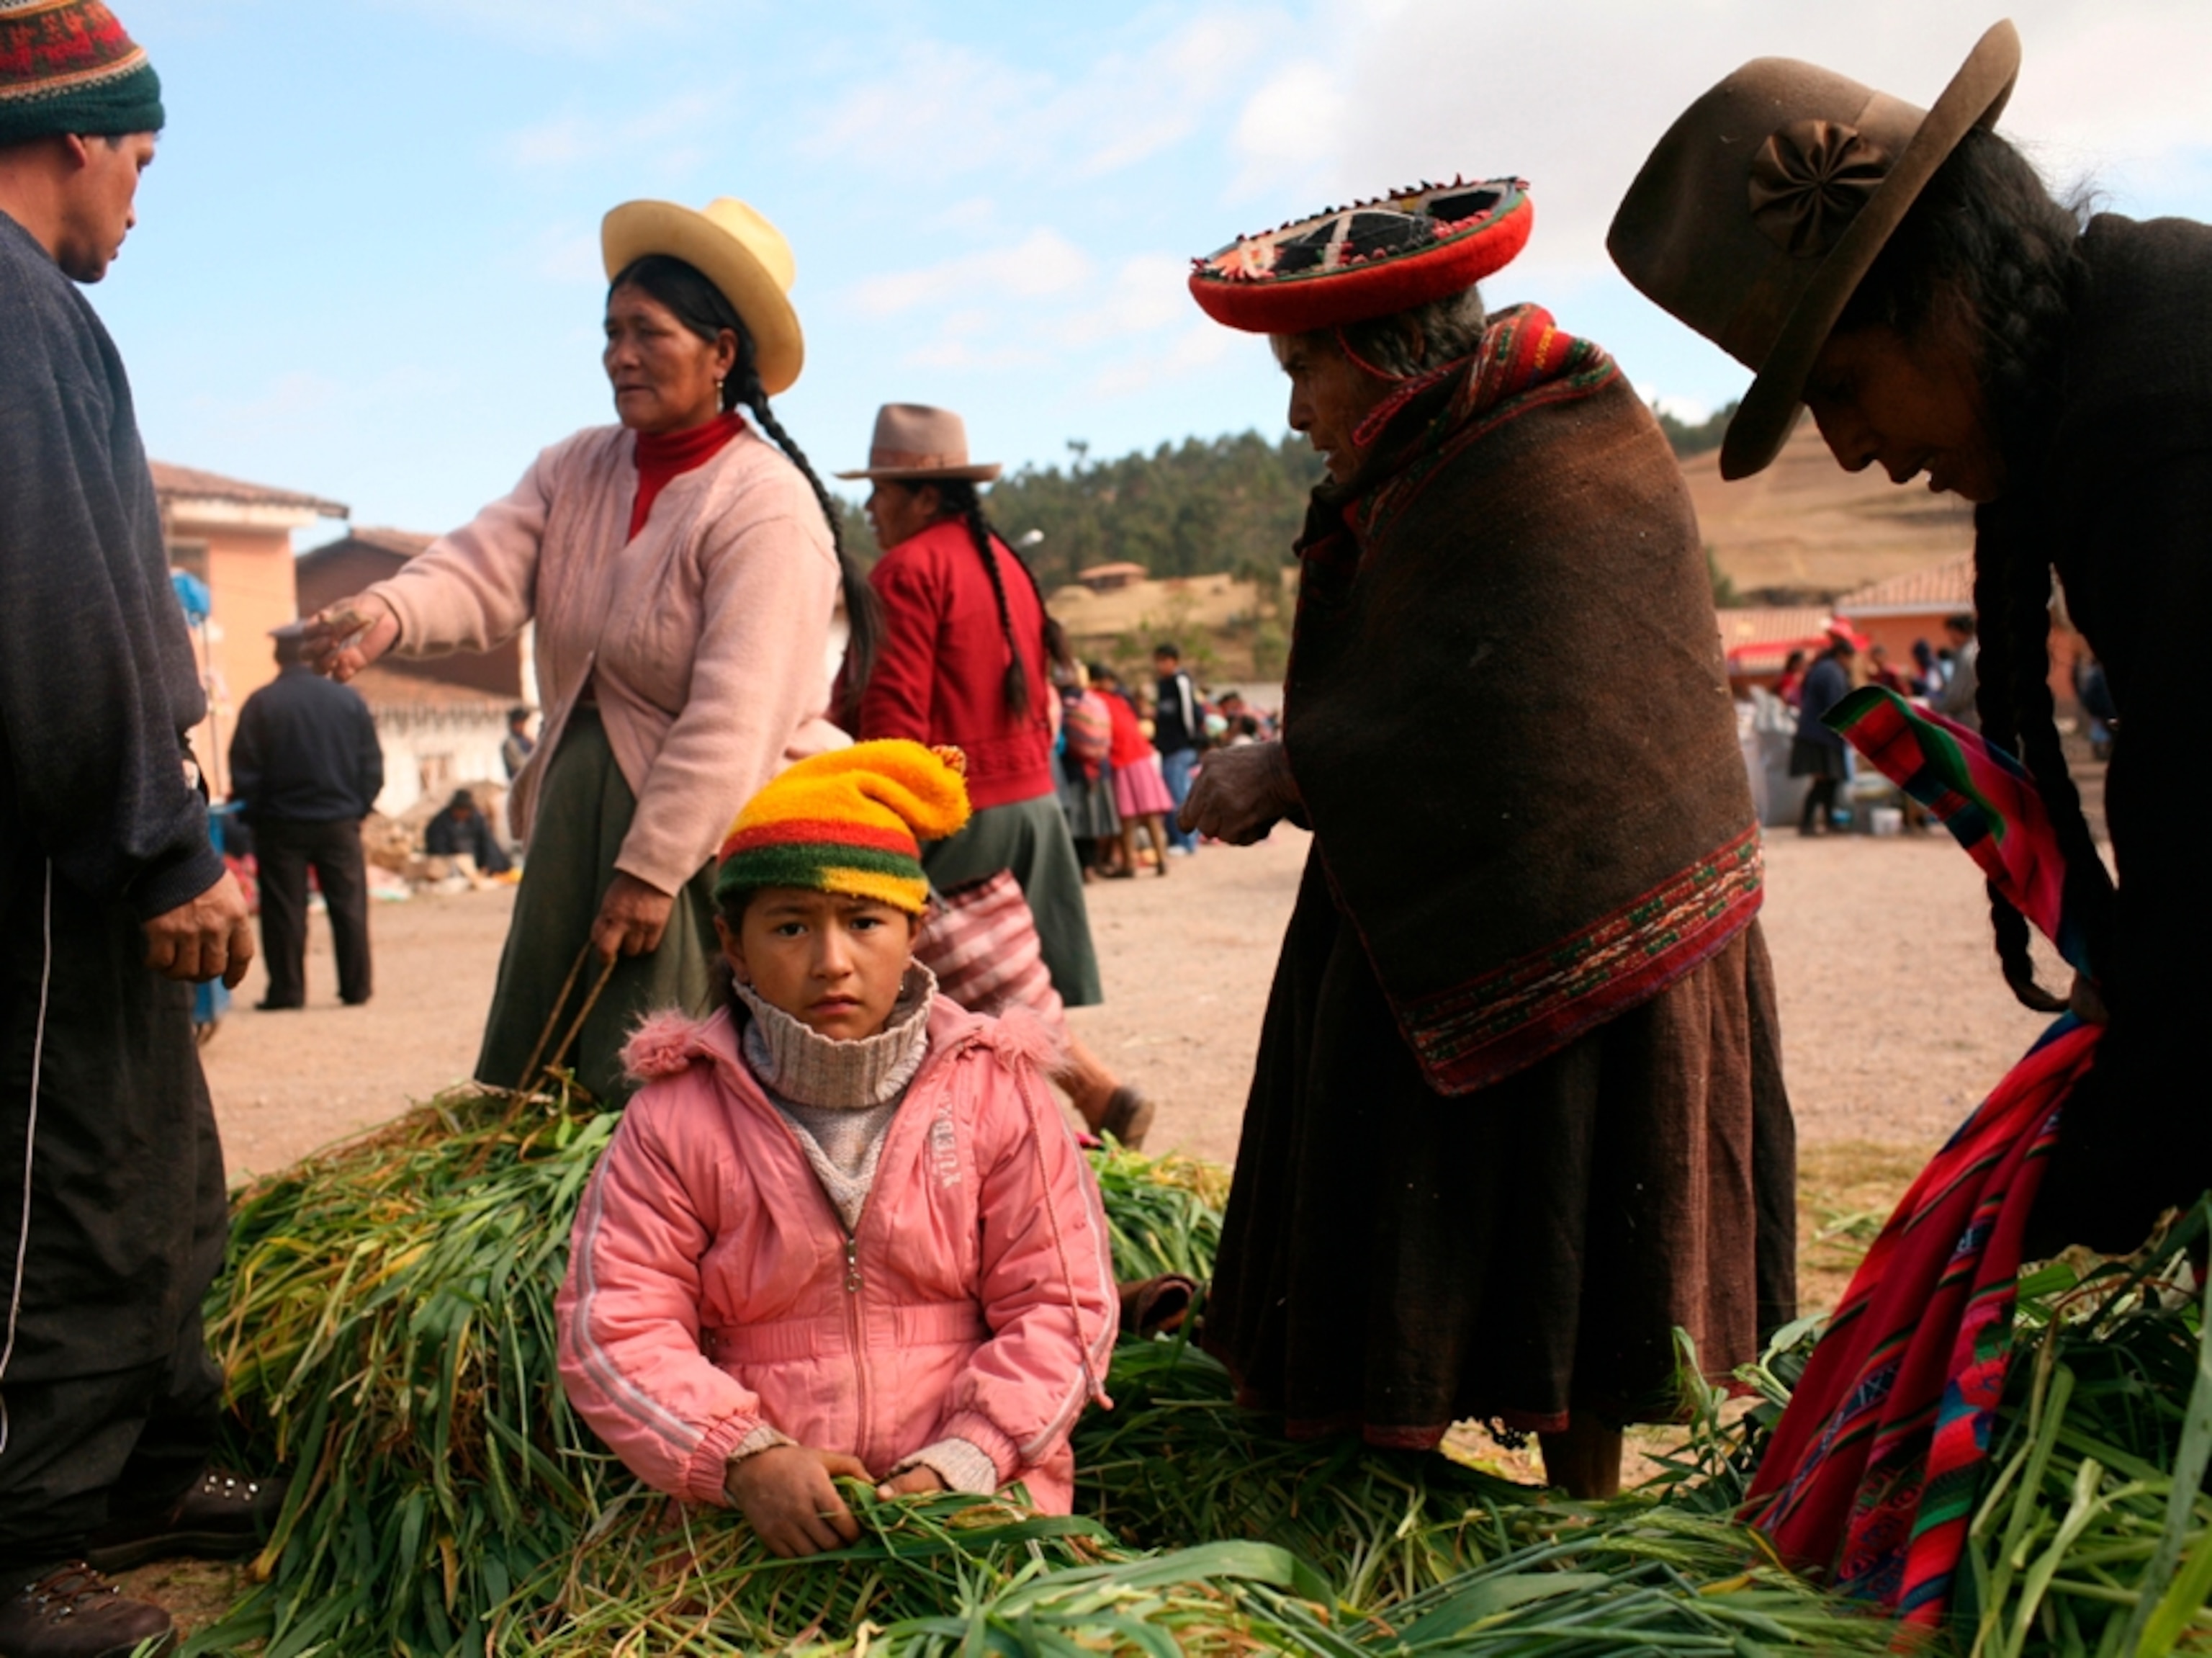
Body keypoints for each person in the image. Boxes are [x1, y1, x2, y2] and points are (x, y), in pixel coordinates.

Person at [1180, 177, 1795, 1499]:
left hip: (1598, 886)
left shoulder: (1552, 446)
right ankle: (1375, 1455)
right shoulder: (1418, 462)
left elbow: (1522, 695)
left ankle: (1587, 1493)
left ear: (1373, 353)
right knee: (1406, 1149)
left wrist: (1293, 765)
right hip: (1417, 870)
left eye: (1302, 374)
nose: (1294, 415)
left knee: (1585, 1173)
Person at [1611, 19, 2206, 1253]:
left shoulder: (2161, 427)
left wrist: (2063, 1220)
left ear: (1944, 295)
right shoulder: (2120, 349)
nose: (1850, 450)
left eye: (1838, 384)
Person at [307, 197, 871, 1103]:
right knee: (551, 1076)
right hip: (580, 813)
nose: (620, 354)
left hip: (697, 832)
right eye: (611, 332)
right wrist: (390, 611)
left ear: (722, 352)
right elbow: (482, 563)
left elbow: (738, 711)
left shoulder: (763, 504)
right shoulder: (577, 467)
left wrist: (651, 869)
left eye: (648, 332)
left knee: (657, 1073)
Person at [0, 13, 284, 1651]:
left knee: (157, 1159)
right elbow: (51, 610)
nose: (142, 199)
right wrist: (157, 835)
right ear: (75, 136)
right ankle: (20, 1533)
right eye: (144, 160)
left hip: (102, 830)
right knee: (61, 1179)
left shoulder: (45, 310)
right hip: (56, 849)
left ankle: (147, 1465)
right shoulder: (11, 302)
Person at [556, 743, 1116, 1555]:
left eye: (864, 922)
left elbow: (1064, 1308)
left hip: (979, 1519)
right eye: (790, 926)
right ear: (734, 943)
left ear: (915, 930)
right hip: (752, 1532)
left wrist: (970, 1456)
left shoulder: (1000, 1096)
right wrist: (743, 1457)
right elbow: (615, 1326)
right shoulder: (674, 1120)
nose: (832, 962)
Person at [843, 403, 1152, 1145]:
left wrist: (874, 835)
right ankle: (1087, 1106)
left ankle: (1032, 1138)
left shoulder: (905, 569)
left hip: (961, 813)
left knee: (925, 985)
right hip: (1033, 810)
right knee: (999, 986)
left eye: (881, 489)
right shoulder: (1007, 562)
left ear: (923, 496)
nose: (869, 505)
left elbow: (893, 720)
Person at [228, 623, 383, 1008]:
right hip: (339, 821)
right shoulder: (348, 701)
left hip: (281, 824)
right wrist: (357, 808)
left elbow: (244, 769)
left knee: (285, 910)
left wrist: (258, 813)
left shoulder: (262, 703)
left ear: (278, 656)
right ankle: (356, 988)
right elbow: (372, 767)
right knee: (348, 906)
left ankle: (288, 991)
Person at [1093, 665, 1173, 878]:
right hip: (1140, 755)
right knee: (1150, 813)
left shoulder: (1095, 699)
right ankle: (1162, 859)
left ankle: (1129, 864)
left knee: (1126, 815)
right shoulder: (1119, 700)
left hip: (1120, 758)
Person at [1053, 665, 1120, 879]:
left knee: (1075, 822)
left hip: (1071, 768)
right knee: (1092, 820)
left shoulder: (1063, 702)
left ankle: (1081, 869)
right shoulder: (1093, 700)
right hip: (1097, 765)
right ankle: (1092, 866)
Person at [1789, 636, 1856, 835]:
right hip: (1821, 735)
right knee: (1823, 779)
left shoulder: (1824, 668)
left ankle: (1827, 821)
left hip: (1819, 733)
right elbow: (1835, 703)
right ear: (1842, 655)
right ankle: (1807, 823)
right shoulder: (1832, 672)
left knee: (1830, 780)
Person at [1151, 644, 1202, 854]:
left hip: (1181, 746)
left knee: (1178, 794)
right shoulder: (1162, 684)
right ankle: (1182, 839)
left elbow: (1190, 714)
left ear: (1173, 661)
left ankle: (1186, 842)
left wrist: (1190, 739)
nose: (1160, 665)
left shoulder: (1180, 682)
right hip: (1167, 747)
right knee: (1175, 793)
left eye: (1163, 661)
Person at [423, 788, 512, 877]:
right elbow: (438, 848)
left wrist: (487, 865)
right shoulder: (440, 822)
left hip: (477, 859)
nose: (464, 813)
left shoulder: (476, 819)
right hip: (453, 861)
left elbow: (487, 842)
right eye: (461, 810)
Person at [1934, 613, 1979, 732]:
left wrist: (1936, 707)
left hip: (1969, 721)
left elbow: (1959, 695)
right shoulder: (1976, 650)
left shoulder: (1967, 655)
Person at [500, 706, 536, 780]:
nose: (522, 726)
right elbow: (521, 765)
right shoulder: (510, 743)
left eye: (523, 723)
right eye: (519, 723)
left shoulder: (526, 740)